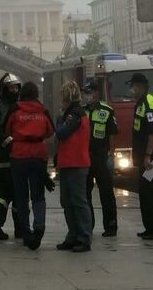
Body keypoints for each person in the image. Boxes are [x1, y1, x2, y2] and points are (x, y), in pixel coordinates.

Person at [6, 82, 55, 250]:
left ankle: (26, 232)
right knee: (38, 195)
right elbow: (50, 131)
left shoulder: (14, 109)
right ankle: (39, 227)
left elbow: (7, 129)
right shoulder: (43, 110)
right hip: (38, 155)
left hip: (19, 155)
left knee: (21, 197)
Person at [128, 73, 153, 240]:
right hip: (146, 158)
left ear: (139, 86)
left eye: (133, 86)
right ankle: (150, 228)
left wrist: (147, 156)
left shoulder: (147, 103)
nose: (131, 90)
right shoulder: (140, 103)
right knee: (145, 192)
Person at [55, 81, 93, 253]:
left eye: (62, 97)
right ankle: (73, 235)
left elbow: (61, 132)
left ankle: (83, 237)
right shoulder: (74, 113)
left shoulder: (75, 114)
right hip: (69, 162)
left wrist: (58, 119)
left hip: (76, 163)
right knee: (67, 201)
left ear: (67, 97)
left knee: (78, 201)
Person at [0, 73, 22, 240]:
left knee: (2, 193)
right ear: (5, 89)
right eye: (12, 88)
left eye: (16, 87)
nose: (15, 90)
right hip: (9, 158)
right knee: (16, 193)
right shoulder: (5, 108)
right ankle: (20, 228)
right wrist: (12, 143)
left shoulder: (0, 107)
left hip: (1, 159)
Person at [82, 79, 119, 237]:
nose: (86, 96)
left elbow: (112, 135)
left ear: (96, 93)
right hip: (84, 157)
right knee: (85, 193)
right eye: (84, 93)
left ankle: (110, 226)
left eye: (88, 93)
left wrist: (111, 155)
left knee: (106, 193)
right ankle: (88, 225)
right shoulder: (81, 111)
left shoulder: (107, 111)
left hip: (101, 157)